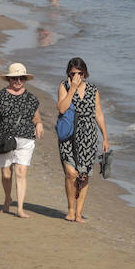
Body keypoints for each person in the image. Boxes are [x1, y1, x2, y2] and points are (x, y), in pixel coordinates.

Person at [55, 56, 110, 222]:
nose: (77, 76)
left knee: (84, 175)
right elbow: (62, 108)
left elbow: (98, 114)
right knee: (71, 173)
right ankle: (71, 210)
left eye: (80, 73)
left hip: (88, 136)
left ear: (85, 73)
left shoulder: (93, 90)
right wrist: (72, 89)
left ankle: (79, 213)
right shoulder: (64, 86)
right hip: (69, 134)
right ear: (68, 74)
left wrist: (105, 137)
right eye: (73, 74)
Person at [0, 63, 44, 218]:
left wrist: (38, 123)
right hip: (4, 139)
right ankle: (7, 199)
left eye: (22, 78)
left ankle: (19, 208)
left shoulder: (31, 98)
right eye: (15, 78)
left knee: (21, 171)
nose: (18, 81)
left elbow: (36, 115)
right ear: (9, 79)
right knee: (6, 173)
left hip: (25, 140)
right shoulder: (1, 96)